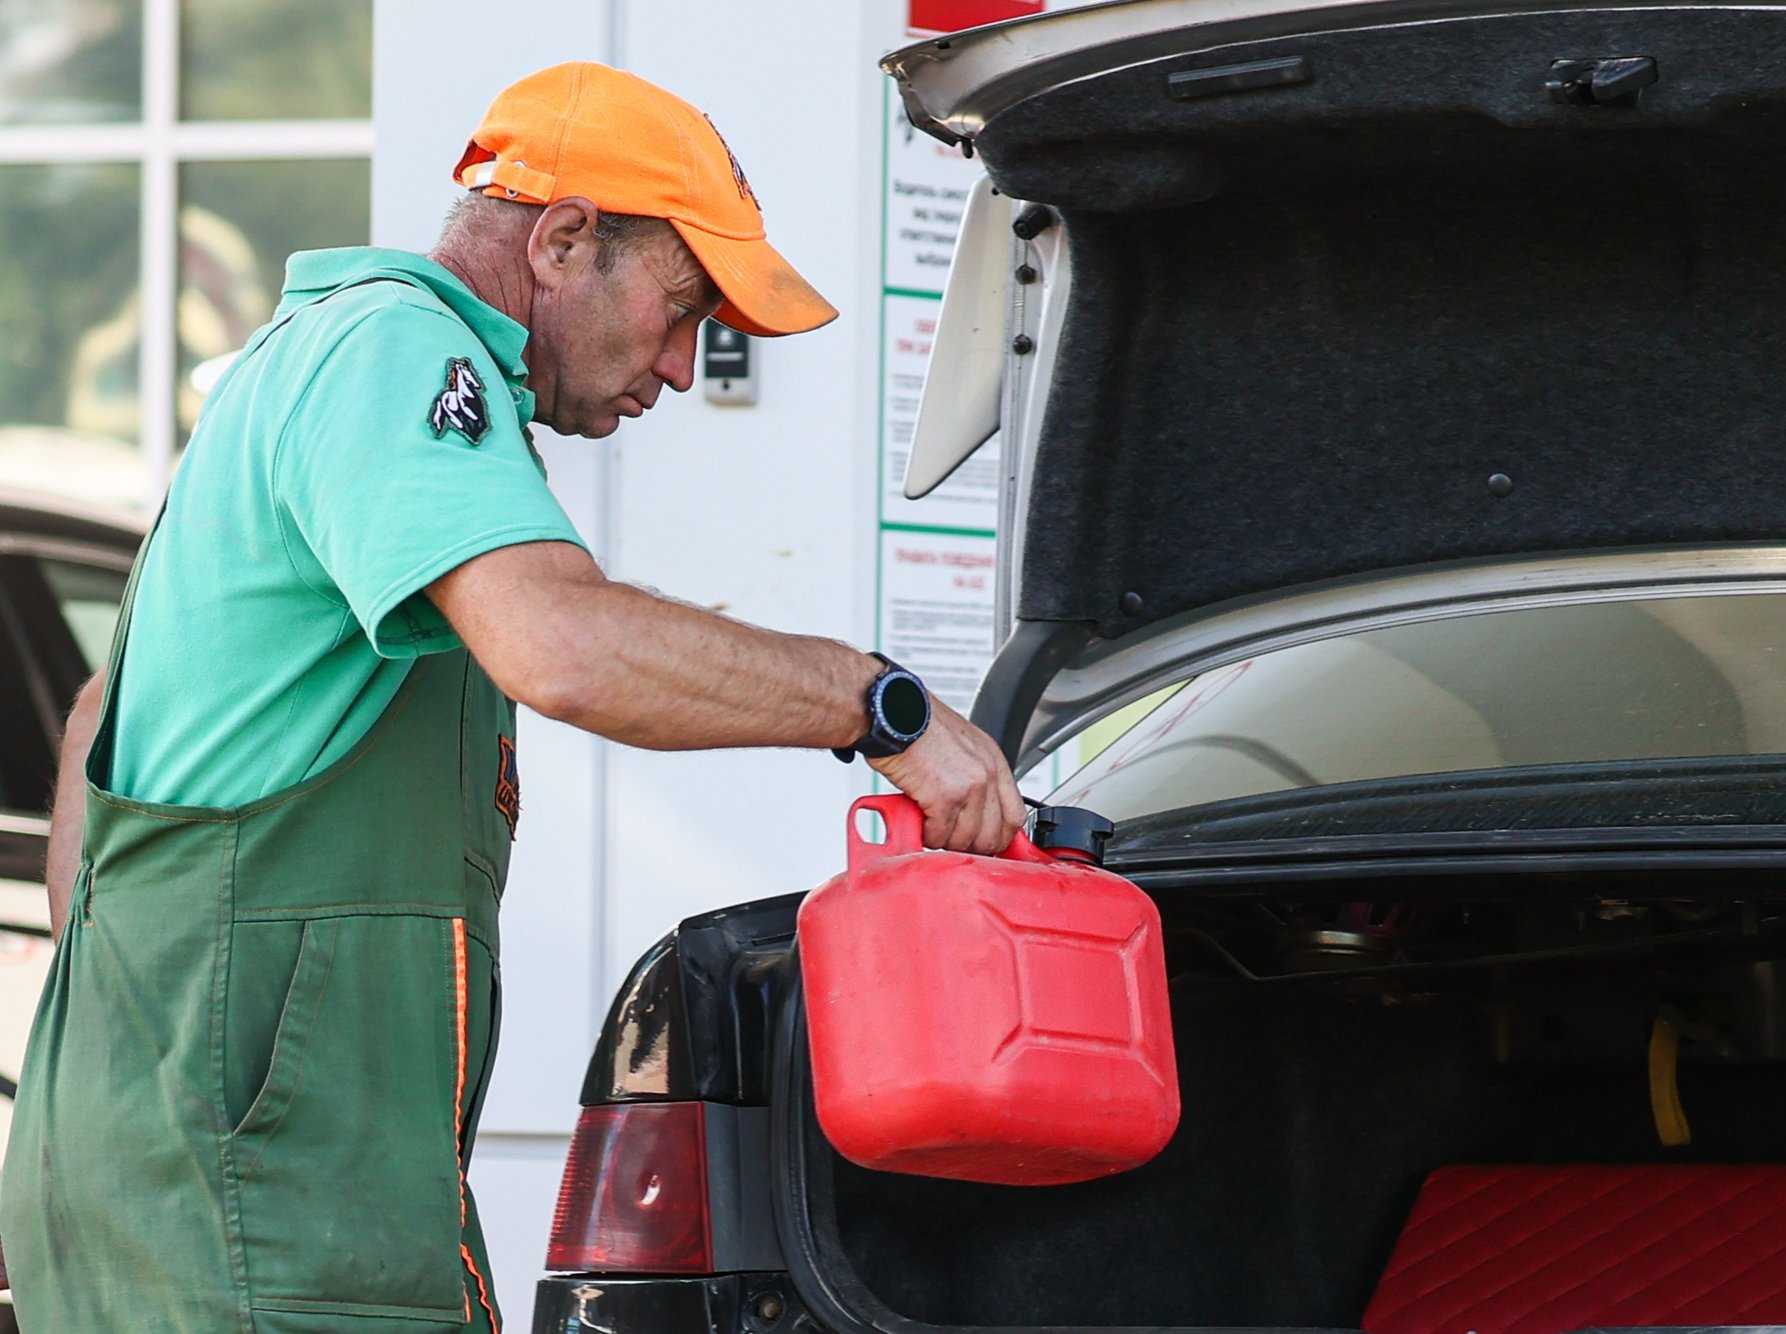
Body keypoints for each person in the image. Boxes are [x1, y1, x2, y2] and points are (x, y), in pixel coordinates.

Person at [0, 62, 1025, 1332]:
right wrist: (881, 707)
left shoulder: (313, 369)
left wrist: (127, 1032)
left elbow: (106, 705)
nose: (681, 364)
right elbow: (566, 646)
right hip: (255, 1211)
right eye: (678, 306)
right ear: (562, 237)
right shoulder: (394, 347)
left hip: (199, 1179)